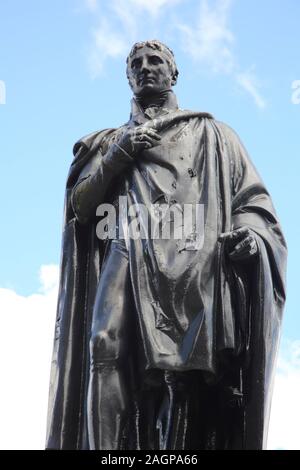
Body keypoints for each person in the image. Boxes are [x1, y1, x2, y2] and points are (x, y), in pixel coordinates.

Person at [46, 40, 287, 450]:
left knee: (186, 373)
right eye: (135, 64)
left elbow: (252, 202)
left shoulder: (214, 134)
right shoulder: (107, 141)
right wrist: (117, 156)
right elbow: (81, 209)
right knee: (102, 344)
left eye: (155, 60)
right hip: (128, 246)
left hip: (195, 257)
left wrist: (250, 235)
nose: (145, 68)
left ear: (173, 73)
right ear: (128, 78)